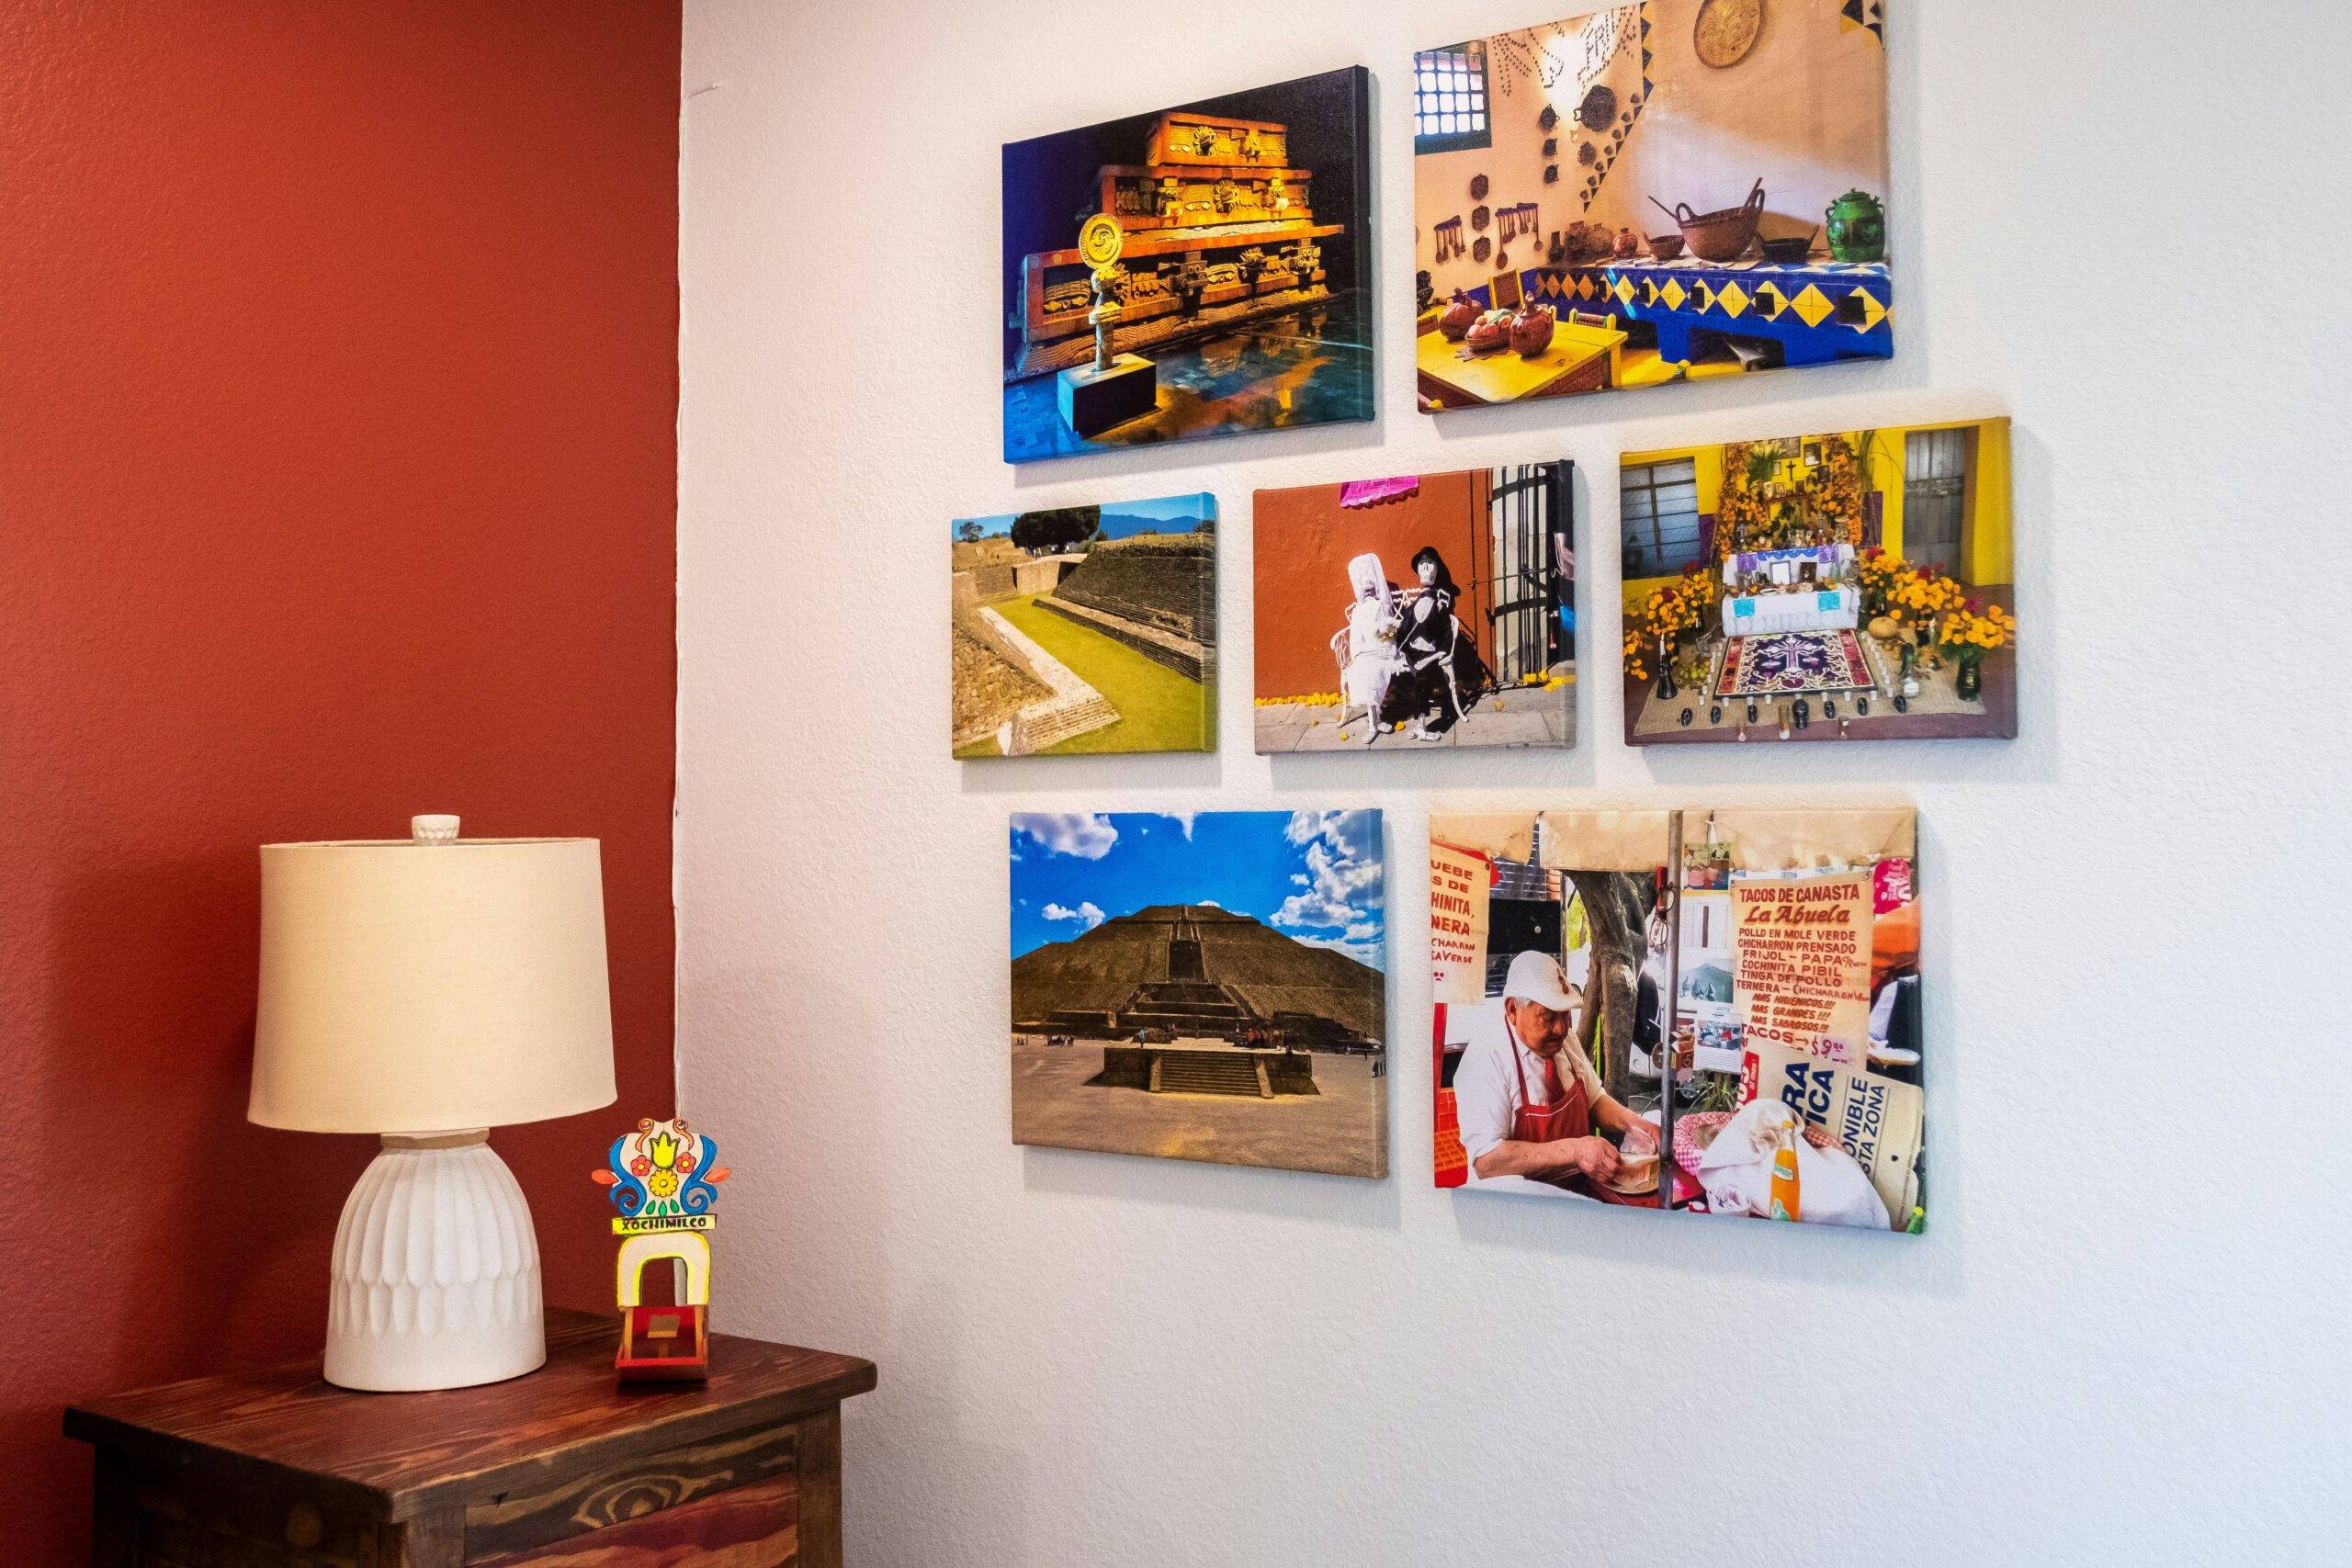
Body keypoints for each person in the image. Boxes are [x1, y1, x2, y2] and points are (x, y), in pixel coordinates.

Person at [1453, 949, 1660, 1191]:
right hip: (1515, 1208)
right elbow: (1487, 1162)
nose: (1561, 1029)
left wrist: (1641, 1125)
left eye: (1566, 1015)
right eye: (1548, 1018)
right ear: (1512, 1010)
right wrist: (1575, 1151)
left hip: (1574, 1192)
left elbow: (1595, 1100)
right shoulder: (1486, 1058)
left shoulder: (1564, 1039)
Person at [1396, 546, 1463, 740]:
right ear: (1417, 570)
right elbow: (1402, 632)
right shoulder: (1412, 606)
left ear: (1437, 569)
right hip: (1413, 653)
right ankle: (1420, 725)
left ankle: (1422, 727)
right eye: (1422, 565)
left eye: (1430, 564)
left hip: (1430, 654)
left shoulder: (1441, 602)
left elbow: (1445, 631)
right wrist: (1402, 649)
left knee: (1422, 678)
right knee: (1418, 674)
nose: (1426, 569)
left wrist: (1442, 652)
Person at [1339, 553, 1406, 745]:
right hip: (1364, 653)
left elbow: (1387, 630)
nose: (1367, 592)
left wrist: (1384, 644)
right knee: (1362, 670)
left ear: (1375, 588)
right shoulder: (1358, 610)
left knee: (1374, 671)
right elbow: (1356, 635)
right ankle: (1374, 721)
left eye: (1370, 589)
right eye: (1364, 590)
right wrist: (1356, 654)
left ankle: (1375, 722)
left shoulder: (1381, 606)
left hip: (1381, 650)